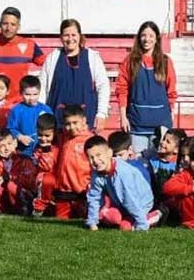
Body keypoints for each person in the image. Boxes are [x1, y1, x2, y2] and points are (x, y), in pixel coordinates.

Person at [116, 21, 178, 155]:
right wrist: (123, 116)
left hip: (160, 122)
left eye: (150, 35)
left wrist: (171, 112)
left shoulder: (166, 61)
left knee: (158, 162)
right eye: (143, 35)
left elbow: (171, 90)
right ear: (139, 38)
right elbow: (122, 89)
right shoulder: (130, 61)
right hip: (137, 122)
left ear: (156, 38)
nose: (147, 39)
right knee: (139, 162)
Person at [40, 19, 111, 132]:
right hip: (57, 120)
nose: (70, 39)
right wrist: (42, 114)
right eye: (66, 35)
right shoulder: (52, 58)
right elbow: (42, 89)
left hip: (86, 120)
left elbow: (103, 86)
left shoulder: (92, 57)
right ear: (61, 37)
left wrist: (102, 114)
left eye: (73, 35)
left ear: (79, 36)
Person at [84, 135, 161, 232]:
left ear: (109, 153)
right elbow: (94, 197)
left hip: (141, 203)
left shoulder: (122, 173)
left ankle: (150, 217)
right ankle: (121, 217)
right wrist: (92, 222)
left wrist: (142, 224)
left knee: (125, 227)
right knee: (113, 218)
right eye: (91, 158)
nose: (95, 160)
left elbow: (130, 200)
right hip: (121, 203)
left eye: (99, 155)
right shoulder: (97, 172)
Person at [0, 6, 45, 103]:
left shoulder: (30, 45)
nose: (8, 28)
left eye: (13, 24)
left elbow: (49, 65)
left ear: (18, 26)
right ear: (0, 24)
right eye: (5, 24)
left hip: (19, 105)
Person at [52, 104, 95, 220]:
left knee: (85, 219)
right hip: (64, 189)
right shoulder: (63, 138)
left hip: (82, 190)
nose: (71, 127)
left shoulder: (90, 140)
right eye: (68, 124)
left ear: (84, 121)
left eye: (75, 123)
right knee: (60, 220)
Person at [5, 75, 54, 154]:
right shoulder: (16, 110)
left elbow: (52, 127)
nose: (31, 98)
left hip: (43, 150)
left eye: (35, 94)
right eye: (27, 94)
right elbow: (10, 128)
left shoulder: (45, 109)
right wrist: (20, 137)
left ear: (39, 92)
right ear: (21, 93)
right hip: (23, 151)